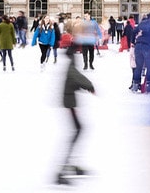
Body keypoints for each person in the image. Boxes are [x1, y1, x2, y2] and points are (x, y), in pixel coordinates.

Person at [56, 36, 95, 186]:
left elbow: (72, 78)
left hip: (69, 102)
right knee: (77, 132)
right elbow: (74, 75)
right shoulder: (71, 60)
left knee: (78, 131)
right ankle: (61, 172)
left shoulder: (70, 57)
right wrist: (89, 86)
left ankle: (70, 165)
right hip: (69, 103)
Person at [130, 12, 150, 93]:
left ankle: (135, 85)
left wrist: (132, 42)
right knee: (149, 67)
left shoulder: (142, 22)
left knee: (138, 67)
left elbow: (133, 31)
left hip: (138, 45)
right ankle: (149, 85)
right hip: (148, 46)